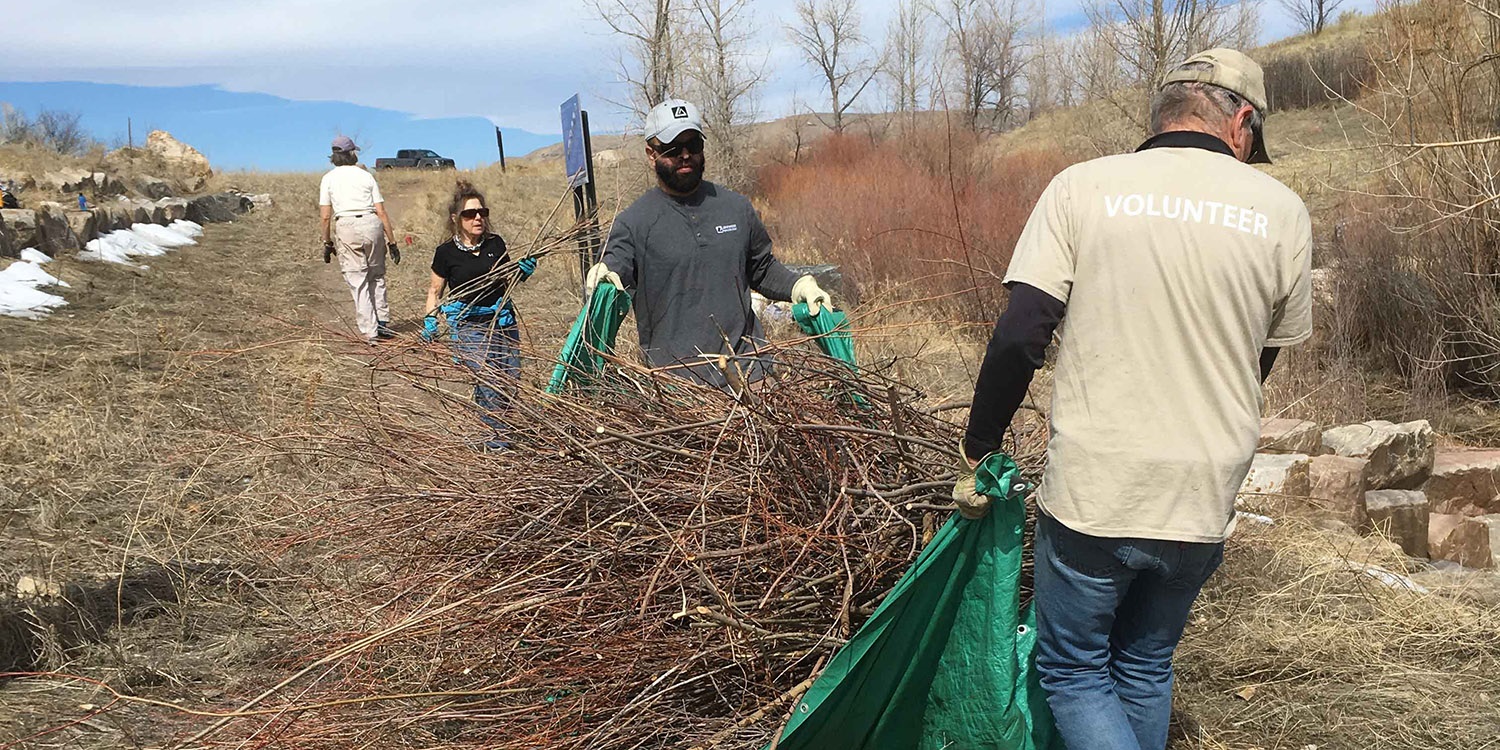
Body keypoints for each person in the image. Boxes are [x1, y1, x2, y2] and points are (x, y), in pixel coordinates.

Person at [952, 48, 1312, 750]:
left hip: (1099, 487)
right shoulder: (1281, 211)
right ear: (1242, 120)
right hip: (1204, 489)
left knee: (1075, 670)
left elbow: (1022, 333)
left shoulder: (1083, 188)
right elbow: (1257, 360)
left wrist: (980, 444)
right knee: (1144, 664)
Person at [583, 98, 832, 388]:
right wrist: (606, 274)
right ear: (651, 154)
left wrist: (800, 286)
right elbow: (617, 268)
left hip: (753, 376)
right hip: (680, 391)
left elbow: (762, 269)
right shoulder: (634, 222)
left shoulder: (736, 208)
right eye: (673, 148)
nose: (686, 155)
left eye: (694, 145)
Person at [423, 181, 537, 451]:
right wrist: (430, 319)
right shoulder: (445, 253)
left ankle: (495, 428)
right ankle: (498, 443)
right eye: (469, 214)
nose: (477, 218)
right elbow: (434, 290)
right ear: (455, 218)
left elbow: (507, 280)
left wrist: (522, 271)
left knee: (510, 377)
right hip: (469, 325)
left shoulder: (496, 244)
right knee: (490, 381)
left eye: (481, 213)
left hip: (502, 321)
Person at [318, 135, 401, 345]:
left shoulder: (328, 179)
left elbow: (325, 215)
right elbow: (381, 211)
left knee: (358, 280)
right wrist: (392, 242)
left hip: (346, 225)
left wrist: (327, 242)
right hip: (371, 224)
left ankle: (370, 330)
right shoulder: (366, 176)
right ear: (352, 153)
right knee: (376, 275)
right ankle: (382, 321)